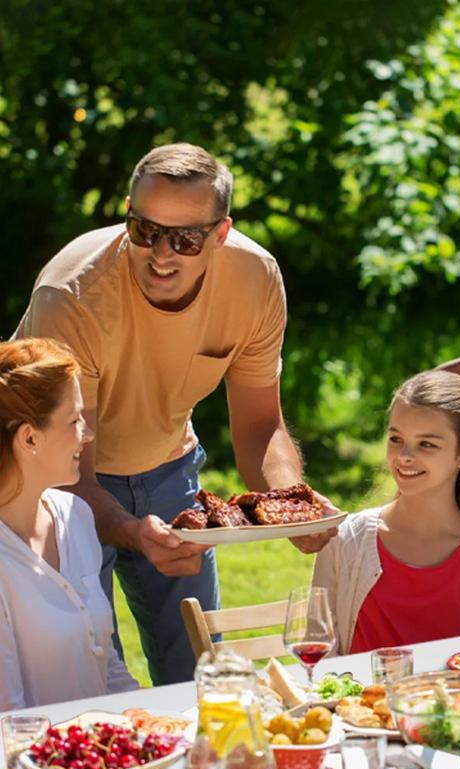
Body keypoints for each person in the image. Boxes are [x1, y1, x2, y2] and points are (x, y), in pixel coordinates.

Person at [13, 143, 335, 686]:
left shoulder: (254, 280)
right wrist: (132, 531)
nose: (162, 254)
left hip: (166, 468)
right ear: (128, 216)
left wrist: (290, 505)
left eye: (186, 239)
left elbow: (259, 426)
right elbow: (68, 470)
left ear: (221, 233)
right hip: (50, 484)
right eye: (145, 231)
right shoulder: (72, 296)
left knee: (199, 673)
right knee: (86, 677)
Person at [313, 370, 460, 655]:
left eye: (426, 444)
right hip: (357, 700)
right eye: (396, 439)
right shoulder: (343, 541)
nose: (404, 456)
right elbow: (319, 655)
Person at [0, 338, 139, 710]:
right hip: (36, 764)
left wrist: (153, 723)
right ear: (30, 437)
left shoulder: (75, 514)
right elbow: (9, 722)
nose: (88, 434)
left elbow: (106, 665)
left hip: (103, 756)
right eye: (75, 420)